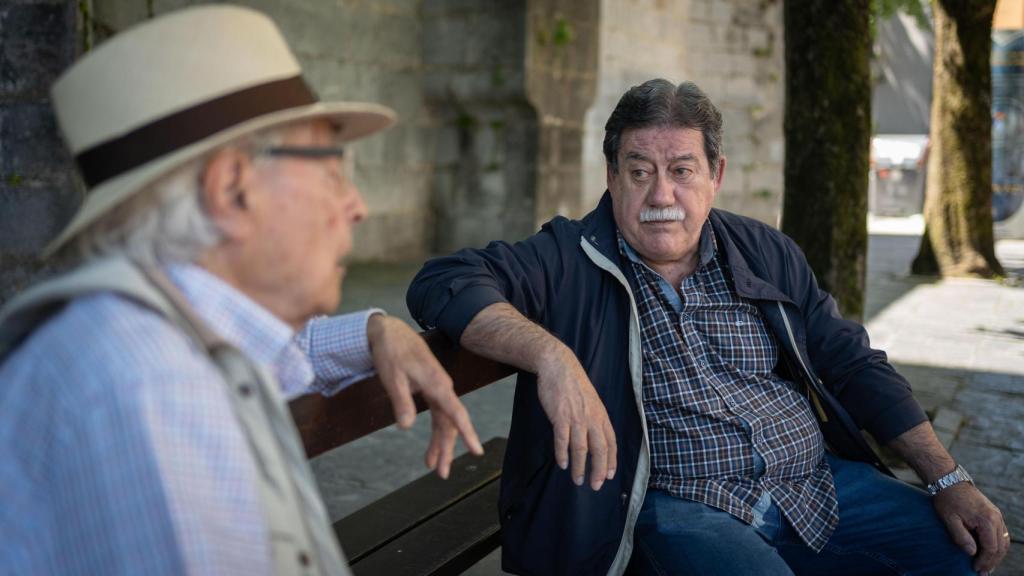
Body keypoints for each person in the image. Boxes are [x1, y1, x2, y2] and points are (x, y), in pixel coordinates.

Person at [407, 79, 1009, 575]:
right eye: (639, 172)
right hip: (679, 504)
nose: (661, 195)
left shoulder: (762, 250)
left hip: (815, 487)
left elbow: (851, 362)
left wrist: (947, 477)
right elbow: (445, 280)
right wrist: (550, 357)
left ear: (715, 175)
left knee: (955, 555)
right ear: (611, 176)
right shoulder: (570, 258)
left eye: (682, 170)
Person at [0, 5, 481, 575]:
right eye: (332, 171)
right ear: (232, 188)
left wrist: (378, 328)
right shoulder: (152, 389)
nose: (356, 205)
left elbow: (258, 348)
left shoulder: (152, 337)